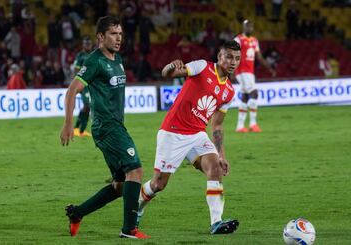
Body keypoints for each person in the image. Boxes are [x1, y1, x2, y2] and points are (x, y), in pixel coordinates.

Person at [137, 40, 241, 235]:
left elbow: (217, 125)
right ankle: (138, 207)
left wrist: (221, 155)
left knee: (215, 168)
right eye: (228, 57)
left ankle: (216, 222)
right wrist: (171, 66)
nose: (233, 62)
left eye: (236, 58)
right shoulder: (202, 67)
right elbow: (168, 74)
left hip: (197, 135)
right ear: (219, 57)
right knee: (158, 184)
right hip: (173, 133)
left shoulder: (229, 91)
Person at [60, 15, 150, 239]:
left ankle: (77, 213)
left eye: (120, 34)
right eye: (113, 34)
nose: (118, 38)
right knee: (136, 170)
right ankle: (129, 229)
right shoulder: (94, 61)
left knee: (121, 186)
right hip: (107, 127)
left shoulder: (117, 58)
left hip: (115, 125)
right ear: (100, 36)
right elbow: (72, 91)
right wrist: (69, 124)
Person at [234, 20, 276, 133]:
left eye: (251, 26)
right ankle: (253, 124)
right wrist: (232, 70)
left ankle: (240, 126)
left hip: (250, 72)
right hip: (241, 71)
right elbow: (231, 54)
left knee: (245, 96)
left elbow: (260, 57)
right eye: (247, 26)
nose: (250, 28)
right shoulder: (238, 39)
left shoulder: (254, 41)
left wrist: (269, 68)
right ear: (243, 27)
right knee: (254, 93)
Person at [73, 36, 93, 137]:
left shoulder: (94, 55)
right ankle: (78, 128)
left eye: (89, 44)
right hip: (83, 84)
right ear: (83, 45)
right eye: (86, 44)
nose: (88, 45)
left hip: (92, 85)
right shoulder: (80, 56)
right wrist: (77, 84)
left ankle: (80, 130)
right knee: (87, 106)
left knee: (88, 107)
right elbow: (76, 70)